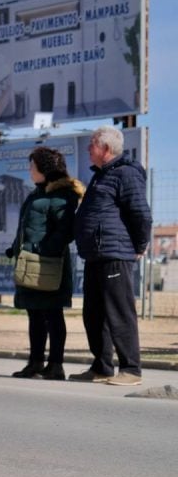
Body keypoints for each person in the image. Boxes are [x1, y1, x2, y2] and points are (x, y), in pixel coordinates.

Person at [71, 125, 152, 385]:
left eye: (92, 144)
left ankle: (131, 369)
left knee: (119, 313)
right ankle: (102, 367)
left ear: (105, 148)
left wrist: (140, 246)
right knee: (93, 314)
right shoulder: (101, 175)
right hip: (95, 255)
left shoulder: (126, 174)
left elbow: (141, 213)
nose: (88, 148)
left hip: (115, 253)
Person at [6, 146, 83, 380]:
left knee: (53, 314)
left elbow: (65, 230)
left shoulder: (62, 195)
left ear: (44, 168)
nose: (30, 170)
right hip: (30, 262)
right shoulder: (37, 193)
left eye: (32, 166)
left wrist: (44, 249)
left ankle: (56, 365)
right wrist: (15, 246)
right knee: (34, 314)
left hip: (49, 265)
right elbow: (27, 226)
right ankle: (36, 362)